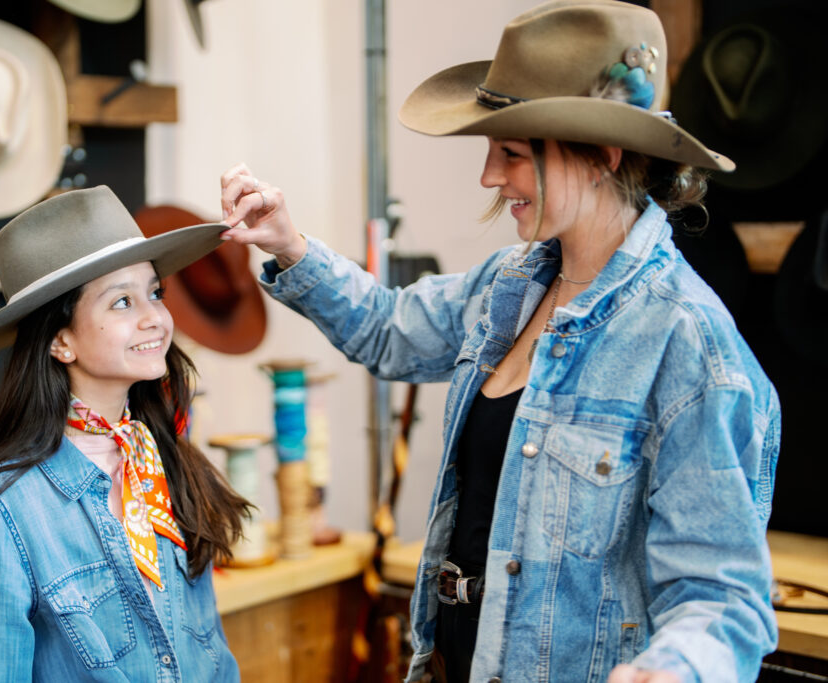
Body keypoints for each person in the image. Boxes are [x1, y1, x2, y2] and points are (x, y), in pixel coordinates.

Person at [219, 1, 780, 681]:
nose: (489, 176)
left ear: (601, 157)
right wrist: (289, 244)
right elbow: (388, 329)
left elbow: (722, 598)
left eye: (511, 153)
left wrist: (672, 670)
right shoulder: (507, 286)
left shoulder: (686, 340)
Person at [0, 186, 250, 682]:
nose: (155, 318)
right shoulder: (1, 509)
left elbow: (214, 662)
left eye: (155, 293)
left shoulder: (162, 464)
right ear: (60, 341)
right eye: (122, 301)